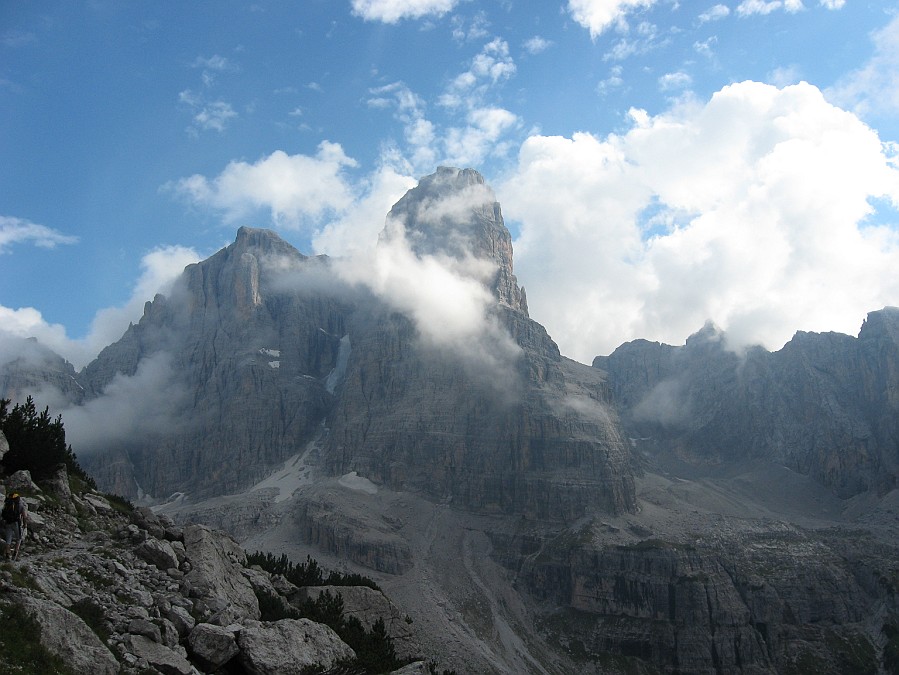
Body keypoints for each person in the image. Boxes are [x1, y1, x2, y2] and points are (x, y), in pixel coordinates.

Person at [2, 493, 27, 561]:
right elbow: (24, 516)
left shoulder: (7, 504)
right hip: (16, 523)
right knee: (18, 538)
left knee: (8, 539)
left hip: (8, 522)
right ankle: (15, 553)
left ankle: (7, 554)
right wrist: (25, 524)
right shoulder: (20, 505)